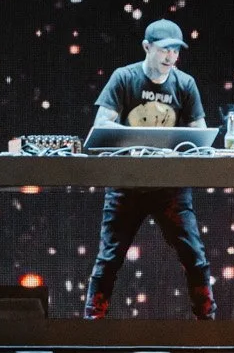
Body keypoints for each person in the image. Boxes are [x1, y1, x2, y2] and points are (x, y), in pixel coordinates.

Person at [87, 19, 215, 320]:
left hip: (170, 186)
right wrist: (137, 140)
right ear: (147, 47)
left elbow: (200, 132)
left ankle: (208, 323)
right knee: (109, 259)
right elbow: (101, 123)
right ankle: (92, 323)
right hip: (127, 184)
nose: (171, 57)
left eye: (176, 51)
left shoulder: (185, 84)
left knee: (194, 257)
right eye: (165, 50)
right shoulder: (124, 77)